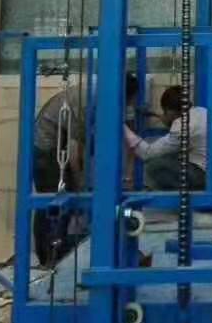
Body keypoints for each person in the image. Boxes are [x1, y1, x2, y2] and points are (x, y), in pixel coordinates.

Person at [32, 71, 139, 267]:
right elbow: (74, 152)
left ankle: (56, 254)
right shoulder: (88, 100)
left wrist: (128, 174)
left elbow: (130, 136)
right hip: (46, 146)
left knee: (66, 198)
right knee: (54, 200)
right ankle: (48, 257)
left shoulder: (111, 91)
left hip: (62, 141)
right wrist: (80, 183)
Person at [123, 85, 212, 193]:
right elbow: (184, 131)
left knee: (155, 165)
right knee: (172, 156)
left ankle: (163, 199)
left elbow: (147, 153)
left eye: (165, 111)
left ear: (169, 111)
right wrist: (162, 117)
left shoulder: (182, 125)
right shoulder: (201, 111)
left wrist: (122, 126)